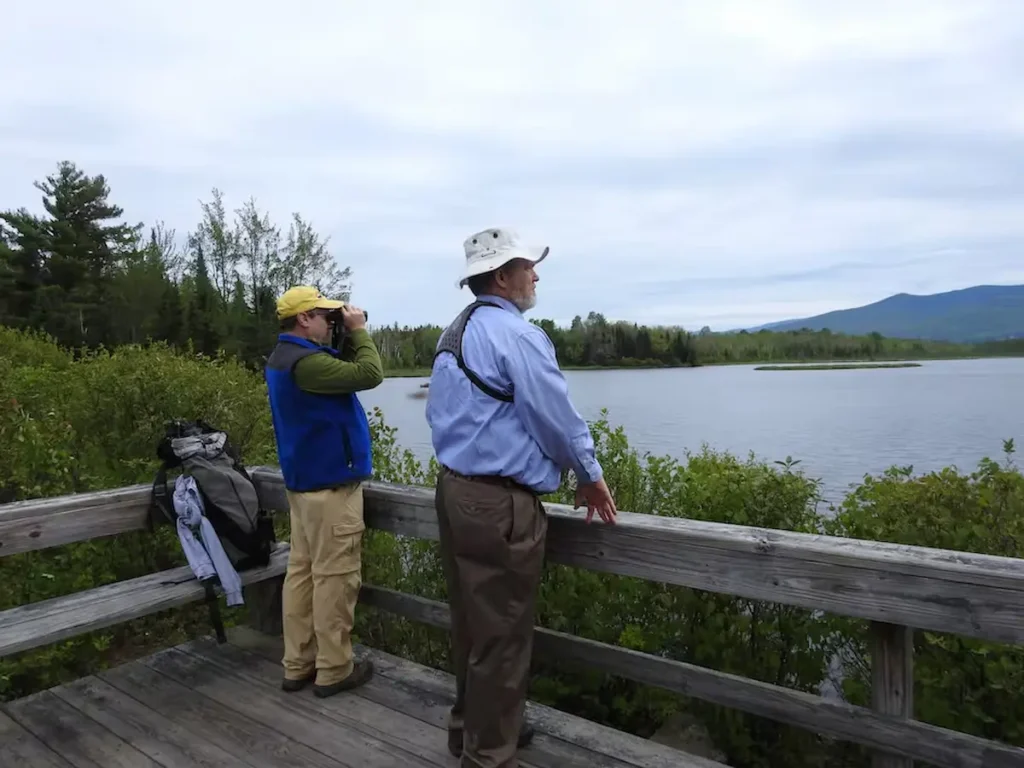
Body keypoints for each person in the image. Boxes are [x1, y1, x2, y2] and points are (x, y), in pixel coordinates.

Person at [426, 228, 617, 767]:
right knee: (503, 634)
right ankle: (488, 755)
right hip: (499, 504)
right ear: (502, 277)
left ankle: (471, 730)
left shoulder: (454, 334)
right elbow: (557, 417)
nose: (536, 274)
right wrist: (589, 473)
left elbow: (441, 417)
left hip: (455, 492)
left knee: (471, 625)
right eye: (527, 266)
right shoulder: (517, 336)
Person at [264, 285, 384, 698]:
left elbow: (339, 374)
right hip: (331, 489)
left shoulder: (284, 359)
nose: (330, 322)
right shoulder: (308, 365)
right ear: (303, 318)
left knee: (301, 575)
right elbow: (369, 374)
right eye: (324, 316)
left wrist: (342, 336)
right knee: (335, 578)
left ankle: (298, 664)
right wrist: (360, 331)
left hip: (303, 486)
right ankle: (333, 669)